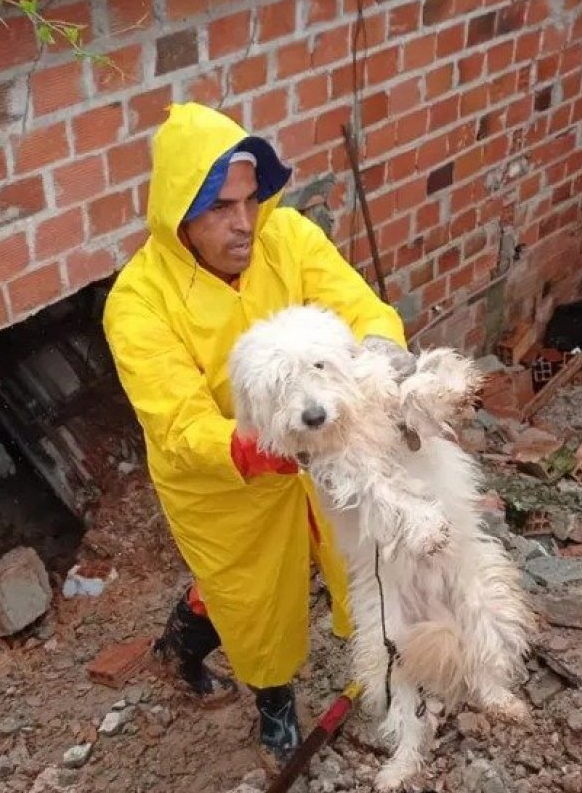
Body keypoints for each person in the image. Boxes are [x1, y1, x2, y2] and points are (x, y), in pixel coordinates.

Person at [101, 102, 414, 766]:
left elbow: (356, 306)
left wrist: (384, 352)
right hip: (222, 476)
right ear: (177, 211)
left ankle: (373, 657)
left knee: (339, 556)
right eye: (219, 208)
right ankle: (271, 700)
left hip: (318, 449)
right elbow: (179, 421)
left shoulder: (290, 239)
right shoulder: (138, 301)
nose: (242, 224)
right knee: (251, 591)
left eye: (249, 200)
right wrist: (256, 450)